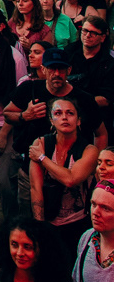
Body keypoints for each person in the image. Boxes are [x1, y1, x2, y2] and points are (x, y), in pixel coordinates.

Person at [29, 95, 97, 266]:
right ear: (51, 120)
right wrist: (40, 227)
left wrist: (43, 158)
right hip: (49, 221)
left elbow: (71, 179)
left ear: (79, 121)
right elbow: (35, 188)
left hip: (78, 223)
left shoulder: (90, 150)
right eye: (58, 113)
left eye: (70, 113)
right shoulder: (41, 143)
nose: (65, 117)